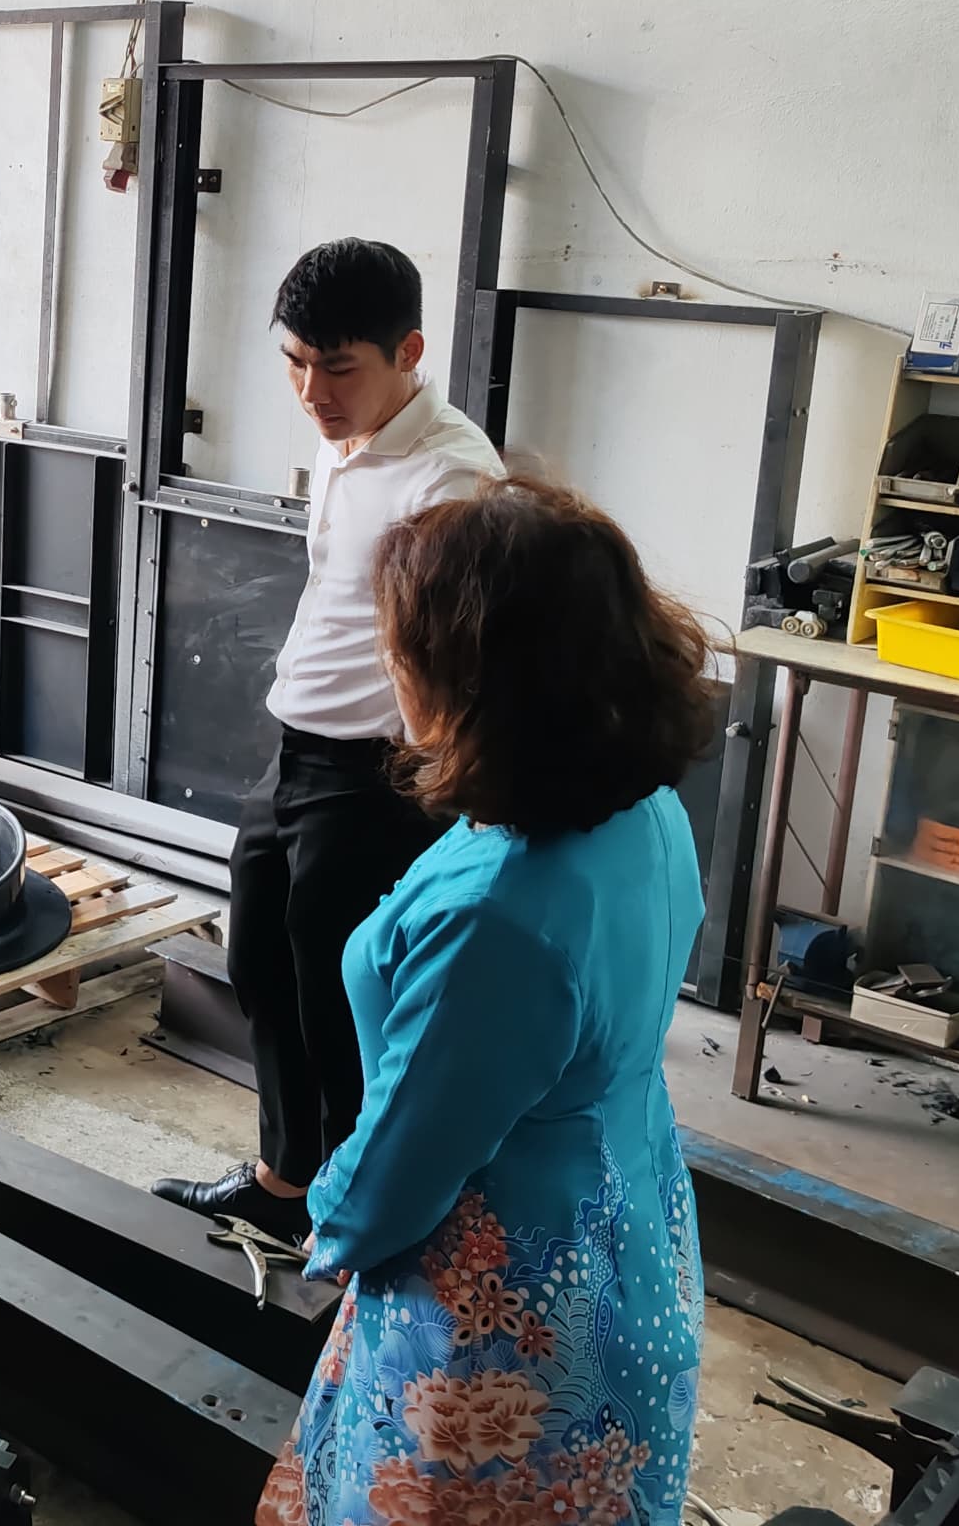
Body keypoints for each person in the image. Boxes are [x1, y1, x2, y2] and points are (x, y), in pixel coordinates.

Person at [256, 475, 709, 1526]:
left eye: (401, 649)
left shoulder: (495, 920)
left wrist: (329, 1222)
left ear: (475, 681)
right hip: (627, 1226)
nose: (389, 664)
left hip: (503, 1303)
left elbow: (406, 1163)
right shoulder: (640, 810)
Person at [154, 237, 502, 1235]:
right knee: (260, 964)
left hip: (376, 776)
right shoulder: (343, 437)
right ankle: (288, 1184)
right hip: (298, 749)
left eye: (338, 368)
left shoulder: (451, 481)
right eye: (296, 363)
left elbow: (448, 669)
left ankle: (356, 1226)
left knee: (344, 1003)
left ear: (409, 353)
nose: (312, 392)